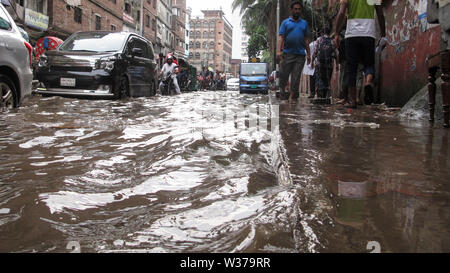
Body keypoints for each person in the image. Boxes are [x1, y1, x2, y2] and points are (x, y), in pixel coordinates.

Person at [333, 0, 386, 108]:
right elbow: (380, 13)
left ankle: (352, 101)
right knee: (369, 64)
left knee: (352, 67)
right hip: (369, 33)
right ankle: (367, 83)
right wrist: (383, 34)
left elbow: (342, 13)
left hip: (352, 34)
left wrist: (336, 33)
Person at [277, 1, 311, 104]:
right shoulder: (285, 23)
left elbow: (306, 40)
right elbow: (281, 37)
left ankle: (291, 98)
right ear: (292, 10)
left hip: (300, 55)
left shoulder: (304, 23)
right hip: (287, 53)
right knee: (283, 75)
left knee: (296, 78)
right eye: (295, 9)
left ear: (300, 11)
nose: (297, 11)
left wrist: (309, 54)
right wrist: (279, 51)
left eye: (299, 9)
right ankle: (282, 91)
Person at [312, 27, 338, 99]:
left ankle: (320, 94)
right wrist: (337, 64)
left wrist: (312, 61)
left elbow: (315, 51)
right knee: (327, 79)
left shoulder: (319, 39)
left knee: (319, 78)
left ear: (322, 33)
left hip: (319, 63)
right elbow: (336, 53)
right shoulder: (332, 41)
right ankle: (325, 94)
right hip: (329, 64)